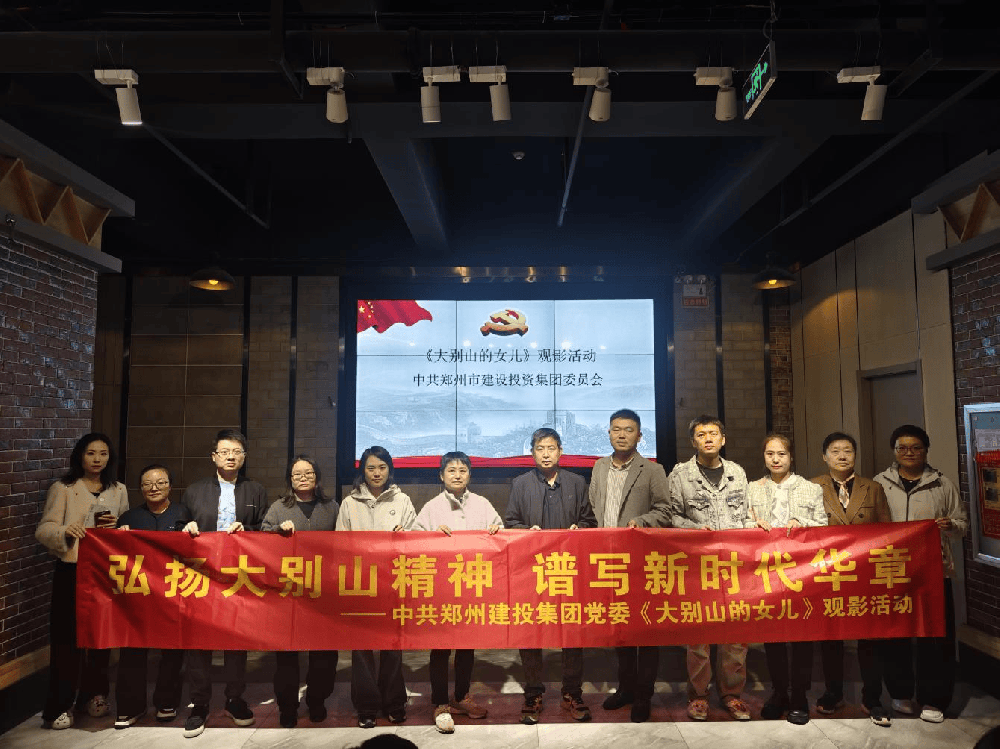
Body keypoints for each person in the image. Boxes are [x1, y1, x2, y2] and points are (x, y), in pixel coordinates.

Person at [874, 424, 967, 724]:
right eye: (902, 448)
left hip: (933, 572)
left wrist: (950, 526)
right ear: (894, 451)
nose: (909, 453)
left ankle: (934, 698)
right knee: (895, 634)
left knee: (935, 636)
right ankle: (900, 693)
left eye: (916, 447)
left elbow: (962, 524)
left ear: (926, 450)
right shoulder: (879, 483)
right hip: (893, 570)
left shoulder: (942, 484)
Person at [35, 432, 129, 730]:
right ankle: (59, 705)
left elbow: (125, 529)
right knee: (66, 641)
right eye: (91, 453)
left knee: (101, 638)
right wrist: (64, 530)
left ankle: (94, 695)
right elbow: (44, 529)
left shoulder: (118, 490)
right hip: (72, 570)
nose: (97, 459)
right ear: (80, 456)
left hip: (104, 572)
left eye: (103, 454)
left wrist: (119, 527)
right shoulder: (63, 488)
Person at [179, 428, 267, 738]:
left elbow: (264, 530)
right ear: (214, 456)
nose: (231, 456)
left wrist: (248, 531)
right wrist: (187, 527)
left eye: (236, 452)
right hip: (201, 576)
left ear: (244, 457)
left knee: (236, 640)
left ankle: (235, 698)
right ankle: (199, 703)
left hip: (238, 576)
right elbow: (179, 526)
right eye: (225, 451)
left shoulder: (255, 490)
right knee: (199, 643)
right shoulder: (195, 490)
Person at [506, 427, 596, 725]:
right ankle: (533, 693)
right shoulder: (520, 483)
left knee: (572, 631)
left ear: (560, 451)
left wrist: (579, 529)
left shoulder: (577, 482)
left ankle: (572, 692)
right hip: (532, 571)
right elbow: (511, 522)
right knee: (531, 631)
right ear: (532, 453)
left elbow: (589, 520)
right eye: (540, 449)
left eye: (551, 448)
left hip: (568, 570)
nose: (546, 454)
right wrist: (526, 532)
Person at [666, 415, 751, 722]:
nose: (708, 439)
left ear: (723, 439)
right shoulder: (680, 475)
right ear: (694, 442)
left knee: (735, 634)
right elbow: (671, 515)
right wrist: (692, 529)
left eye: (713, 434)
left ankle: (732, 694)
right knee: (699, 636)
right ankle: (699, 696)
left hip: (734, 564)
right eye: (701, 435)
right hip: (697, 565)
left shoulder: (737, 473)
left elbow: (746, 514)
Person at [589, 408, 670, 723]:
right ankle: (625, 688)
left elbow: (665, 510)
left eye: (628, 429)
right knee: (620, 629)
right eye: (616, 429)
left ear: (639, 435)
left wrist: (642, 521)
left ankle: (644, 695)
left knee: (645, 631)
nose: (621, 434)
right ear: (609, 433)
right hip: (608, 561)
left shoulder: (652, 470)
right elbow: (592, 507)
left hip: (641, 562)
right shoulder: (598, 467)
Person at [810, 431, 895, 727]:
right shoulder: (811, 487)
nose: (842, 456)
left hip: (865, 573)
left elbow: (887, 531)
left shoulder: (873, 488)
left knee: (870, 639)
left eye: (847, 450)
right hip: (828, 573)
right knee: (830, 638)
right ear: (824, 457)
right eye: (835, 451)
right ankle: (833, 693)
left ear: (855, 455)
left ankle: (872, 697)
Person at [416, 451, 502, 734]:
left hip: (471, 587)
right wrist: (431, 535)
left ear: (469, 475)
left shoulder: (482, 503)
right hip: (441, 588)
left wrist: (495, 529)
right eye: (451, 470)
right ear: (441, 475)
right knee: (440, 647)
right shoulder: (431, 507)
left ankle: (461, 696)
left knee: (467, 645)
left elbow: (500, 532)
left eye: (462, 470)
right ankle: (440, 702)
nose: (457, 475)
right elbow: (414, 540)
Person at [746, 434, 826, 725]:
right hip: (766, 572)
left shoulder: (810, 488)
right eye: (770, 454)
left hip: (801, 573)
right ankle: (779, 692)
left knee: (802, 637)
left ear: (791, 456)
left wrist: (802, 523)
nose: (775, 459)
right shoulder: (753, 488)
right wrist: (753, 524)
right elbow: (742, 522)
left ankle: (799, 695)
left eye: (781, 454)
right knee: (773, 636)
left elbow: (823, 525)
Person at [337, 445, 416, 728]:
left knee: (393, 646)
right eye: (371, 468)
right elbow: (340, 544)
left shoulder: (403, 500)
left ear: (389, 470)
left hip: (393, 583)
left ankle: (394, 703)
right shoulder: (349, 503)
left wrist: (404, 536)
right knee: (362, 648)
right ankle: (367, 706)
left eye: (382, 467)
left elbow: (416, 540)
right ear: (363, 471)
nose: (377, 473)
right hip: (361, 585)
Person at [261, 455, 340, 728]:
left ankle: (317, 700)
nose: (303, 478)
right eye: (297, 474)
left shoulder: (332, 507)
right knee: (286, 654)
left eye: (308, 473)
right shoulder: (278, 507)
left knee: (324, 653)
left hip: (322, 591)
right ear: (290, 479)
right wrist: (277, 531)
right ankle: (287, 707)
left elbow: (345, 542)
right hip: (288, 592)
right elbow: (261, 539)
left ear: (317, 477)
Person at [113, 464, 192, 728]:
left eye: (160, 483)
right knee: (132, 650)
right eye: (147, 484)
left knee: (172, 651)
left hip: (173, 592)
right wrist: (118, 537)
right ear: (140, 488)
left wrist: (193, 531)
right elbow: (115, 554)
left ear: (170, 485)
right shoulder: (129, 517)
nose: (154, 488)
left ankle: (166, 702)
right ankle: (131, 706)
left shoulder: (183, 513)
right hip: (139, 595)